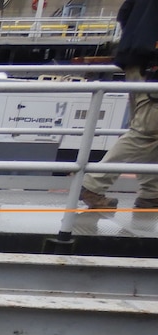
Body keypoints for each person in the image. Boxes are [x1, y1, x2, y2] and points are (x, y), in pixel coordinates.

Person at [79, 0, 158, 211]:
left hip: (136, 62)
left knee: (152, 132)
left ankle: (151, 194)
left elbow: (124, 14)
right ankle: (93, 186)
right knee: (147, 131)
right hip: (152, 65)